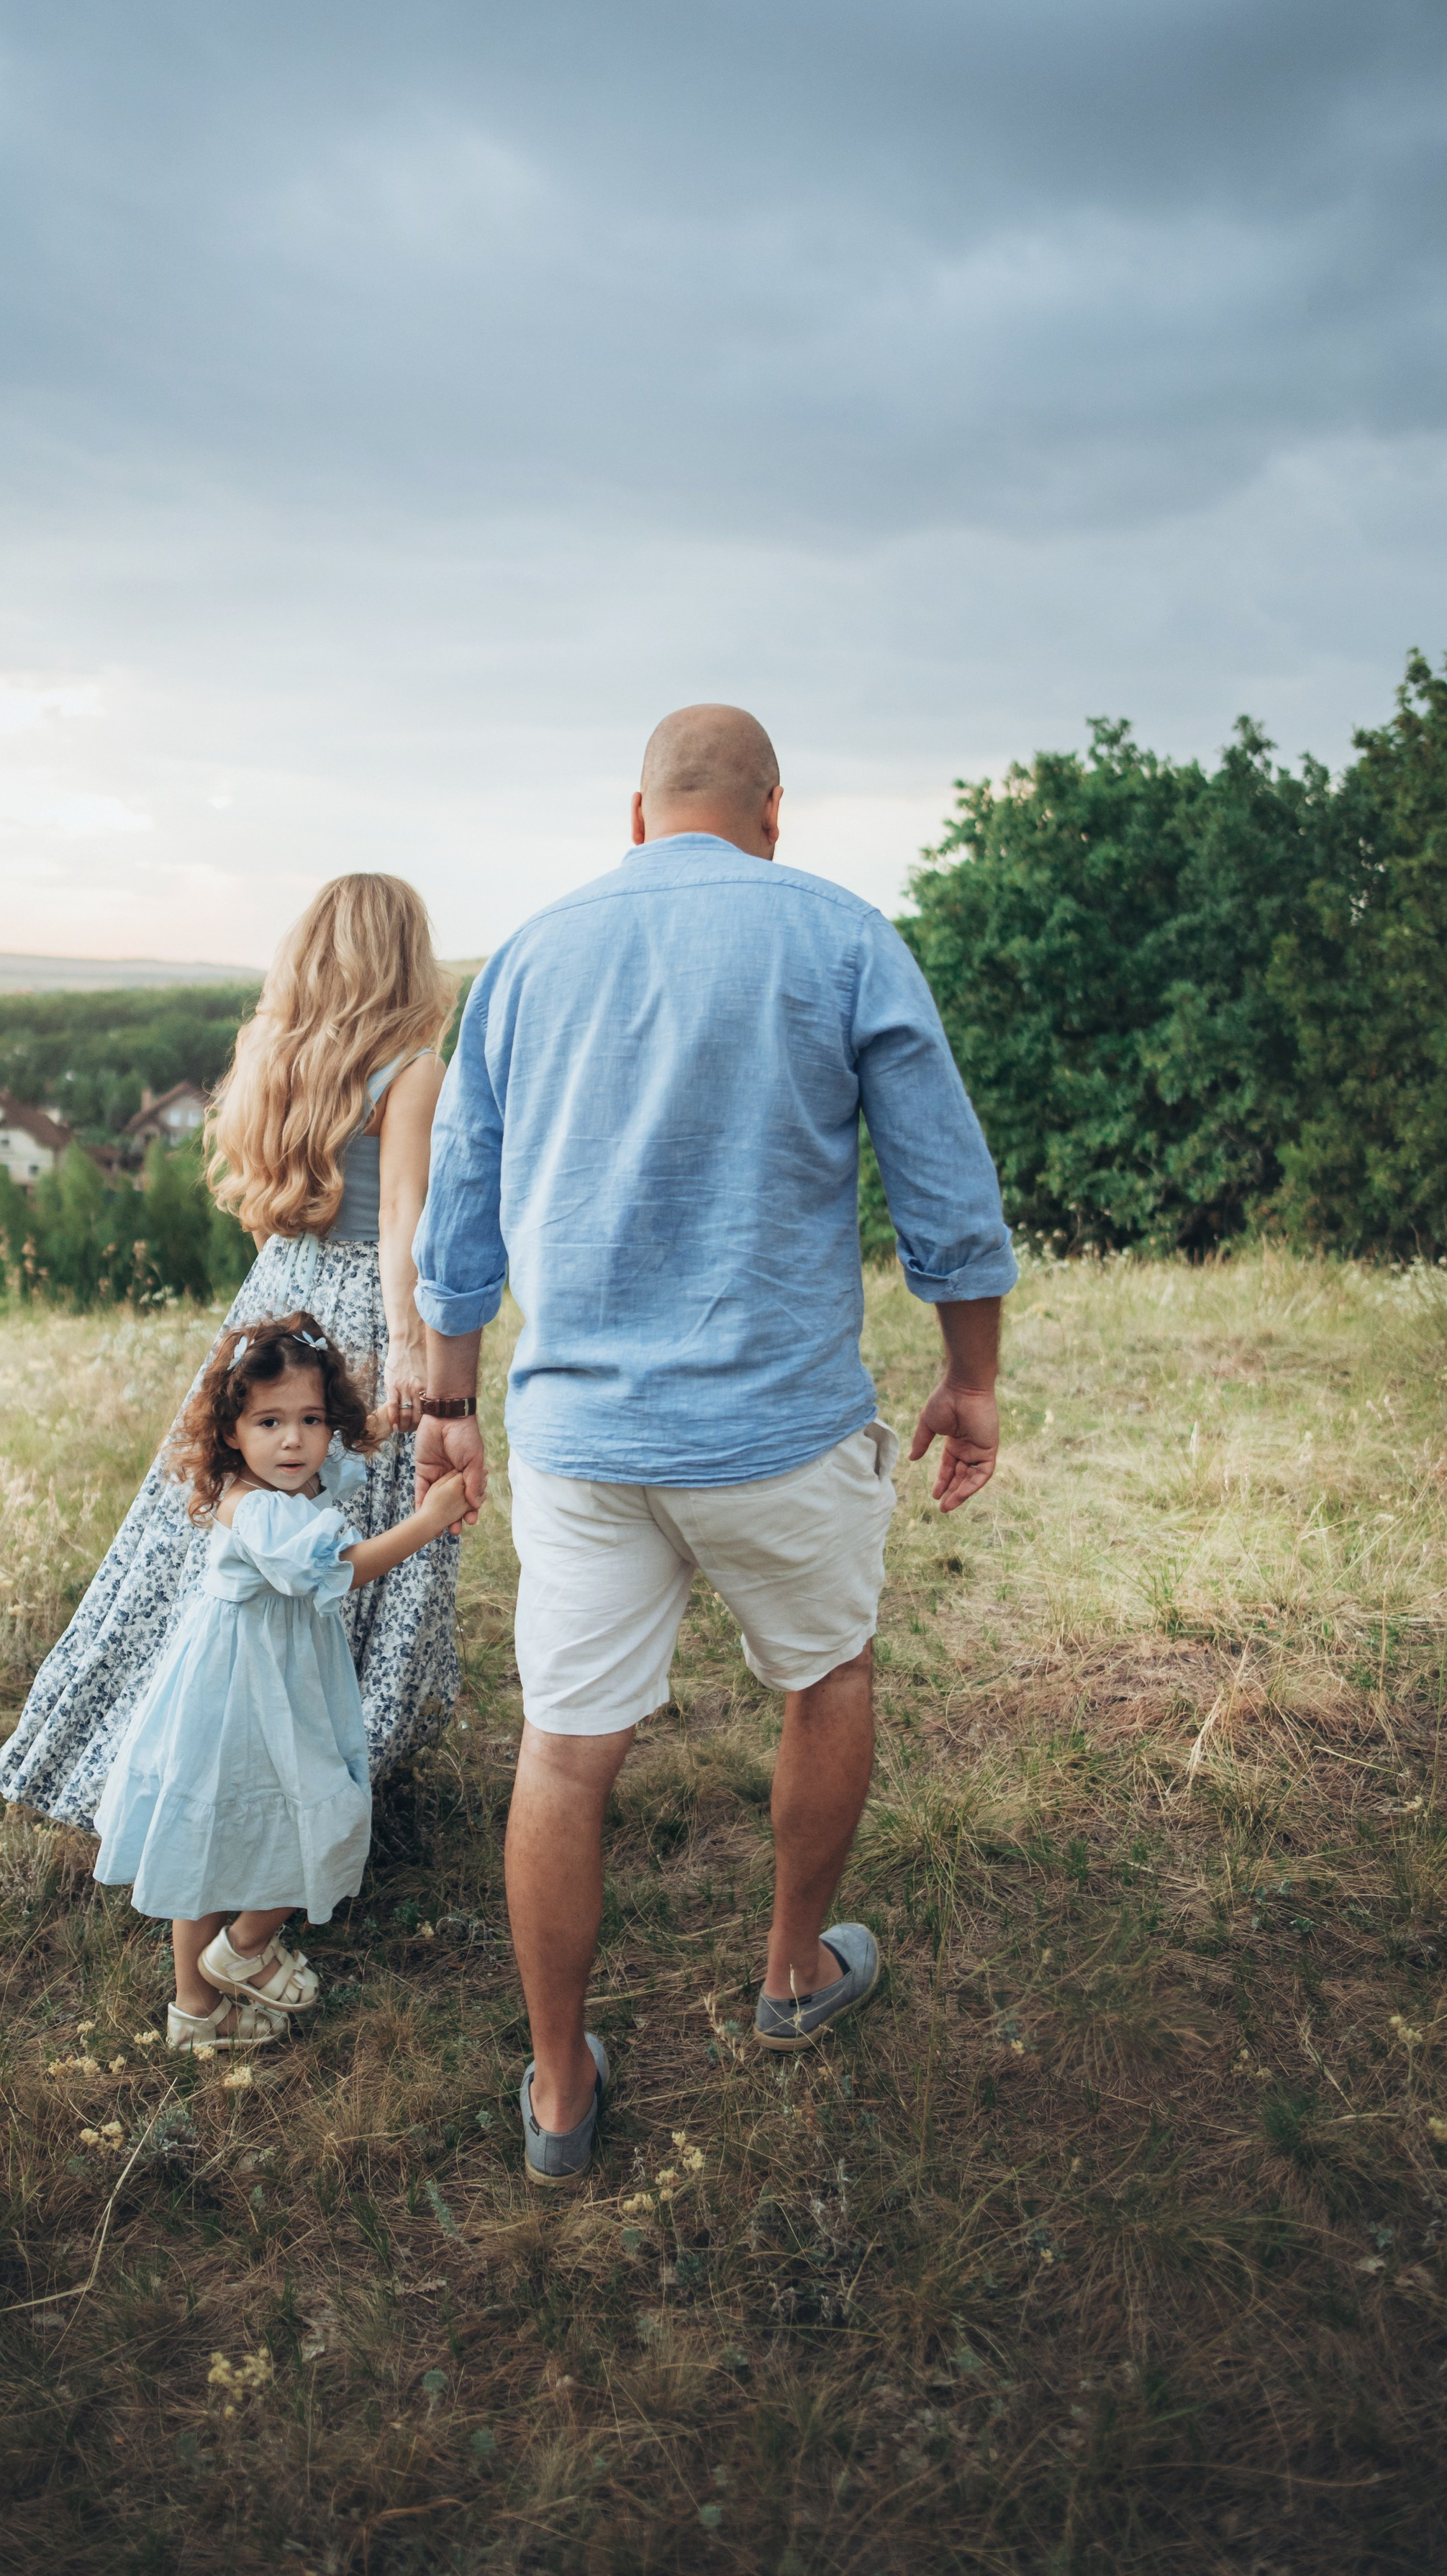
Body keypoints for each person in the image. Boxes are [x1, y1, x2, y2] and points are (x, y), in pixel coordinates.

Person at [412, 704, 1016, 2183]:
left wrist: (443, 1406)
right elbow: (943, 1184)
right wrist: (969, 1375)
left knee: (562, 1755)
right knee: (826, 1676)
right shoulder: (841, 935)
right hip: (779, 1430)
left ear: (635, 814)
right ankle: (791, 1968)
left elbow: (458, 1213)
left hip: (578, 1440)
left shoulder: (528, 959)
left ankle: (558, 2088)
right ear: (771, 812)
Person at [0, 871, 465, 1832]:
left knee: (208, 1538)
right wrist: (411, 1355)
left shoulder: (276, 1056)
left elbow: (275, 1213)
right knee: (343, 1542)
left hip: (279, 1297)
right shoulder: (414, 1068)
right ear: (407, 956)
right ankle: (308, 1792)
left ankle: (149, 1759)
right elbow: (405, 1217)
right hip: (365, 1315)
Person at [93, 1317, 472, 2049]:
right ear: (232, 1430)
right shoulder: (258, 1508)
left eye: (310, 1420)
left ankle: (195, 2012)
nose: (294, 1440)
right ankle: (243, 1949)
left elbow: (341, 1464)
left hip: (245, 1673)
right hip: (248, 1687)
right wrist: (430, 1519)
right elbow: (343, 1567)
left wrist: (385, 1421)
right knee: (312, 1810)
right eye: (269, 1421)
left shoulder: (264, 1478)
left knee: (212, 1834)